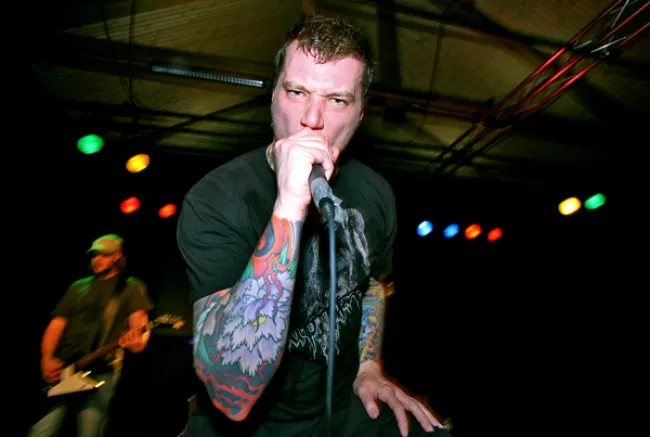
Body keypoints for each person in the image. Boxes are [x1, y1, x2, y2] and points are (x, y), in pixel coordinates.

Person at [176, 14, 452, 437]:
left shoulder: (375, 192)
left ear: (360, 113)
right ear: (273, 95)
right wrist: (289, 204)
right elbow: (233, 394)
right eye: (296, 92)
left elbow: (372, 284)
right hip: (249, 425)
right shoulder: (215, 199)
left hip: (340, 410)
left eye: (337, 100)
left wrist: (369, 365)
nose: (312, 118)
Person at [28, 234, 154, 437]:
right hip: (65, 370)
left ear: (117, 256)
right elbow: (56, 325)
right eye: (94, 255)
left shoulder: (131, 287)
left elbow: (139, 329)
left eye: (104, 255)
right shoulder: (78, 286)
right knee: (41, 430)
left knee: (89, 430)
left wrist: (136, 343)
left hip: (101, 371)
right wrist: (47, 359)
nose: (97, 259)